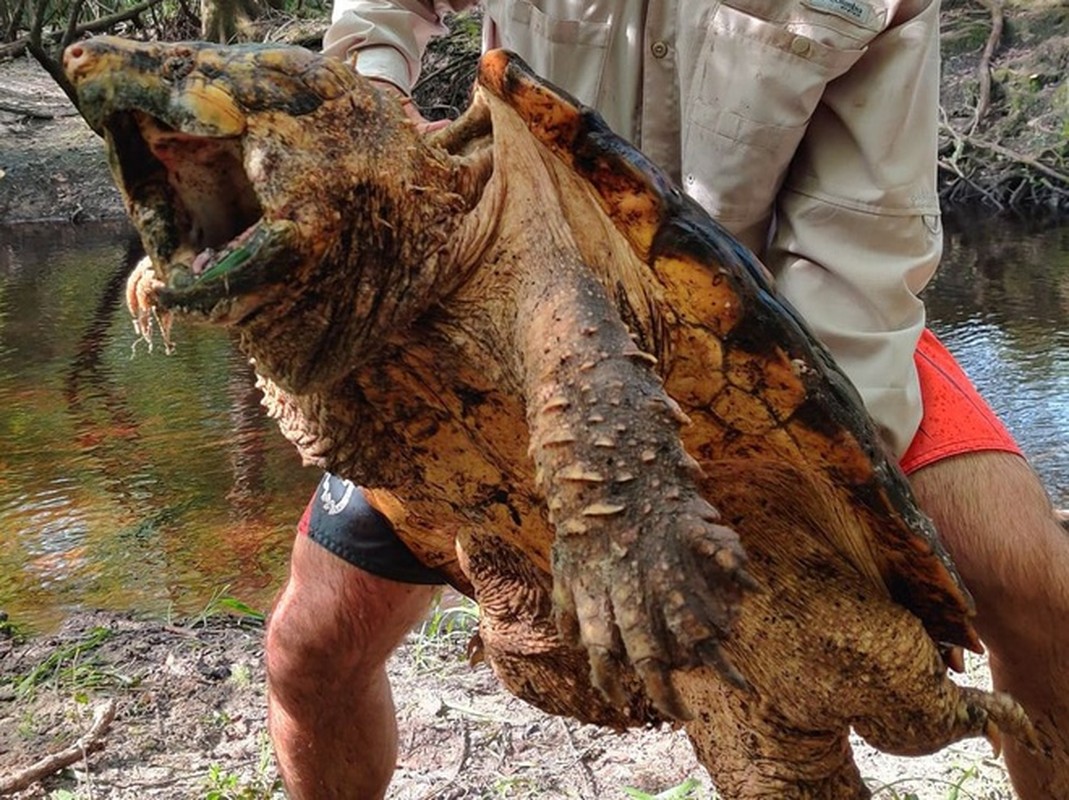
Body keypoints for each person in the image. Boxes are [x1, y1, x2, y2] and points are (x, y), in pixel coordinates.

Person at [263, 2, 1069, 798]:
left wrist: (803, 496)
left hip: (773, 315)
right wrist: (373, 99)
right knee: (311, 651)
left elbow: (859, 242)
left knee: (1038, 595)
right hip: (507, 295)